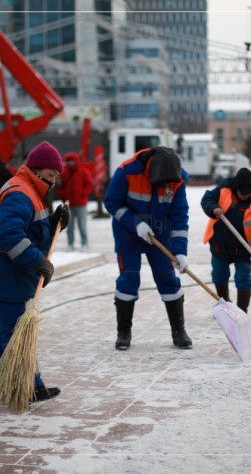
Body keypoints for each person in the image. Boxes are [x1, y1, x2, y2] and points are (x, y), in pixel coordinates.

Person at [0, 141, 70, 402]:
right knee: (17, 330)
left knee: (6, 327)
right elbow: (9, 236)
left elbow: (32, 231)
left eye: (56, 178)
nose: (52, 182)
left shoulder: (30, 190)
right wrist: (37, 262)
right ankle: (28, 386)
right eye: (51, 175)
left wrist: (53, 224)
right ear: (38, 170)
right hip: (5, 274)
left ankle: (0, 381)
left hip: (7, 274)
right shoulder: (20, 192)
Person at [103, 146, 192, 351]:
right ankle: (123, 332)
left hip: (159, 236)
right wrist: (135, 223)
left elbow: (179, 216)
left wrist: (180, 251)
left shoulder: (178, 180)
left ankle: (179, 330)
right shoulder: (126, 172)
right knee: (129, 279)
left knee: (168, 279)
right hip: (129, 235)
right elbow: (111, 202)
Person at [201, 168, 251, 314]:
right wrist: (213, 208)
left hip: (245, 250)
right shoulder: (223, 190)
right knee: (219, 276)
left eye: (249, 193)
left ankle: (241, 310)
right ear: (236, 188)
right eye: (243, 193)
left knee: (243, 278)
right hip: (220, 245)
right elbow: (207, 198)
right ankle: (224, 305)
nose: (246, 196)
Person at [58, 152, 94, 251]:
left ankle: (84, 244)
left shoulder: (83, 172)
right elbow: (60, 187)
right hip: (69, 204)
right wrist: (64, 195)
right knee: (69, 227)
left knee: (82, 225)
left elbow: (90, 184)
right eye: (68, 161)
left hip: (80, 204)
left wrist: (83, 194)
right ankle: (70, 244)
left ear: (76, 161)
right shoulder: (64, 174)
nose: (70, 163)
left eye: (72, 161)